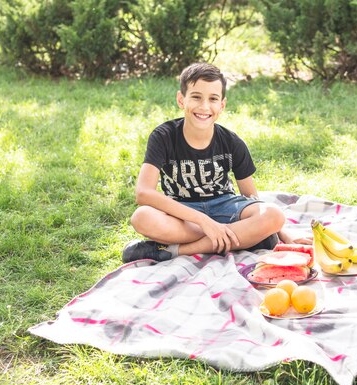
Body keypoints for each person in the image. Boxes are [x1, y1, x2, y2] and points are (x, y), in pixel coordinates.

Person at [122, 62, 288, 263]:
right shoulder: (163, 136)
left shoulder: (232, 142)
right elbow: (143, 193)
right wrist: (205, 222)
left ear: (222, 105)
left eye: (213, 99)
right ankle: (244, 238)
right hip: (184, 216)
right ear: (181, 99)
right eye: (196, 97)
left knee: (273, 214)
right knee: (142, 217)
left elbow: (251, 196)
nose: (204, 106)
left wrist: (284, 235)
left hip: (225, 208)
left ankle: (175, 251)